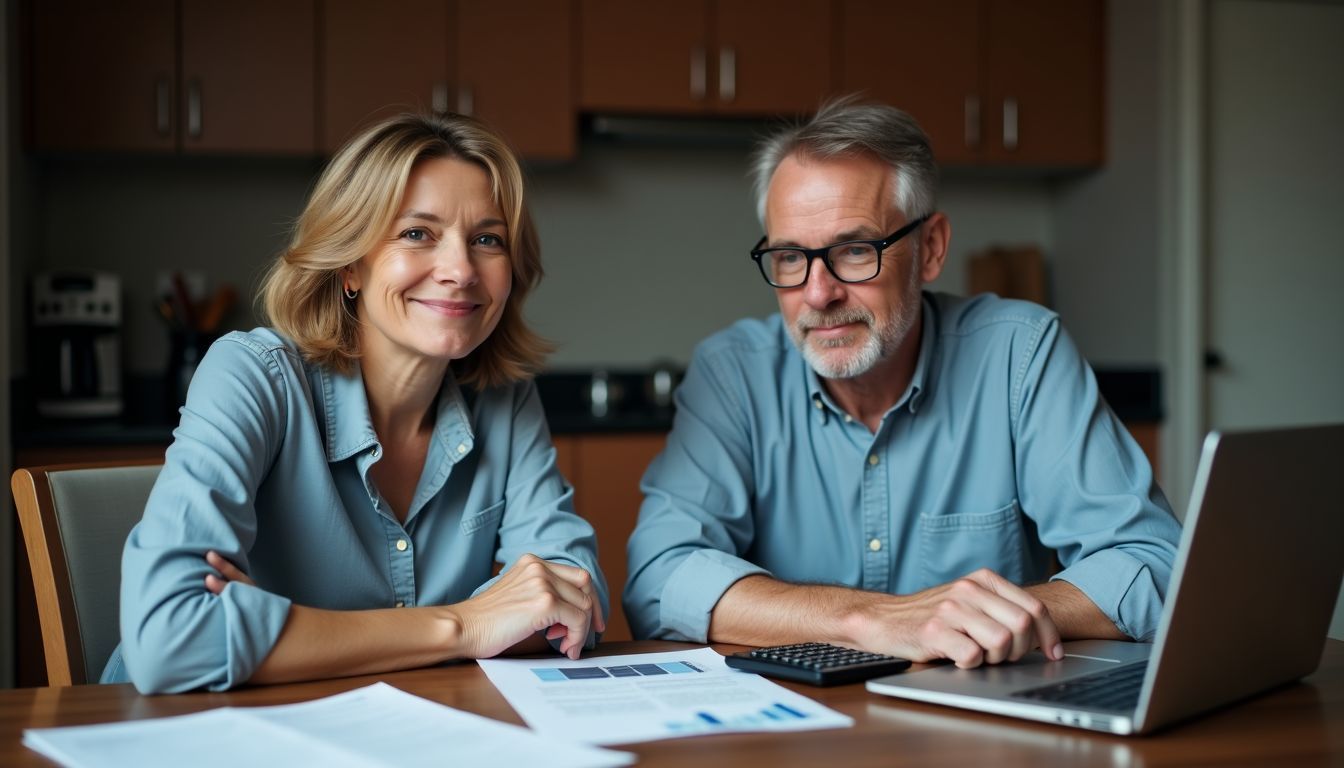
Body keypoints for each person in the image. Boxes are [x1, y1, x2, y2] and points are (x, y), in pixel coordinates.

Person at [624, 98, 1181, 668]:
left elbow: (1154, 561)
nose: (819, 294)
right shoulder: (733, 374)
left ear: (931, 249)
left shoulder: (1020, 353)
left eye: (855, 250)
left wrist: (979, 619)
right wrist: (871, 620)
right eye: (791, 258)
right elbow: (660, 577)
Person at [107, 113, 607, 693]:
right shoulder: (253, 375)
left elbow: (574, 602)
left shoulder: (505, 399)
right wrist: (467, 625)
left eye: (487, 240)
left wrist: (278, 629)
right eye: (417, 233)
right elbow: (171, 640)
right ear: (350, 264)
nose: (461, 270)